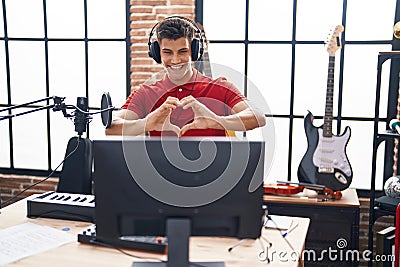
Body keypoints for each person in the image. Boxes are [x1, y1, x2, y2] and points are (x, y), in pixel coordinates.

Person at [106, 16, 266, 137]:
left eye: (183, 52)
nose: (175, 60)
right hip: (159, 179)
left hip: (215, 179)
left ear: (194, 51)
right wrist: (146, 123)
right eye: (167, 52)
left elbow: (258, 116)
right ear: (156, 53)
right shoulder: (146, 93)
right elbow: (111, 126)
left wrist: (217, 120)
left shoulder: (220, 87)